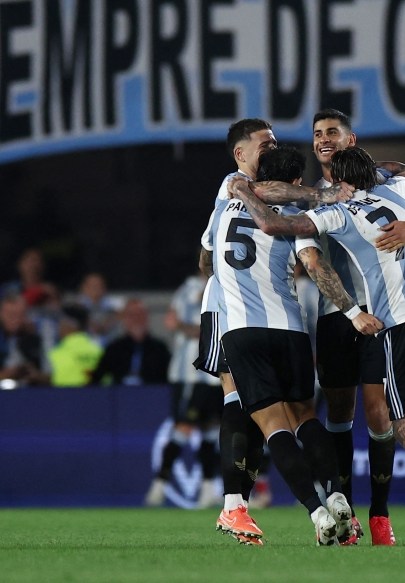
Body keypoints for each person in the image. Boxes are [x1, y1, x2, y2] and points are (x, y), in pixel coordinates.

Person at [229, 146, 405, 547]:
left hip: (402, 323)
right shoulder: (395, 190)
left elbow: (272, 224)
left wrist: (244, 190)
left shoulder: (338, 211)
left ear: (340, 181)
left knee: (403, 427)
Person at [193, 119, 354, 546]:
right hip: (246, 314)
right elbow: (310, 258)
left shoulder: (232, 200)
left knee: (261, 415)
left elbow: (206, 256)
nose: (271, 148)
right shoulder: (236, 184)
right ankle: (238, 505)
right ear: (240, 154)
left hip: (243, 319)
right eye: (264, 143)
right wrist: (324, 194)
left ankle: (246, 506)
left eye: (274, 144)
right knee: (249, 404)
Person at [307, 108, 405, 546]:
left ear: (351, 140)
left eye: (332, 132)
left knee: (378, 411)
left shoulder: (379, 181)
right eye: (318, 133)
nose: (324, 139)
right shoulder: (310, 195)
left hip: (381, 311)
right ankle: (345, 514)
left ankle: (381, 514)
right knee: (339, 414)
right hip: (335, 315)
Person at [143, 272, 223, 510]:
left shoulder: (226, 284)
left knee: (211, 430)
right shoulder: (190, 289)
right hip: (192, 374)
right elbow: (177, 323)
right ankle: (159, 485)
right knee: (184, 427)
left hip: (215, 374)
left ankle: (208, 489)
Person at [91, 300, 171, 385]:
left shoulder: (160, 349)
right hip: (121, 392)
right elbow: (96, 379)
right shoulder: (114, 349)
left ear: (147, 317)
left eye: (140, 314)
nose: (136, 319)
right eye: (132, 315)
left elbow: (169, 379)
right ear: (124, 319)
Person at [0, 293, 47, 387]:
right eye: (10, 314)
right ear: (0, 315)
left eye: (19, 314)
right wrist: (1, 376)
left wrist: (36, 376)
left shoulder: (36, 339)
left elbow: (49, 376)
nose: (14, 319)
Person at [48, 304, 104, 386]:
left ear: (68, 324)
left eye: (60, 321)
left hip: (65, 393)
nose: (58, 325)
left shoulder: (57, 352)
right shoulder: (99, 350)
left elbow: (50, 379)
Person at [76, 272, 122, 344]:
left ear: (105, 289)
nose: (96, 289)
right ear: (83, 287)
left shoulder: (113, 307)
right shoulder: (74, 307)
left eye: (99, 286)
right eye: (92, 285)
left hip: (109, 345)